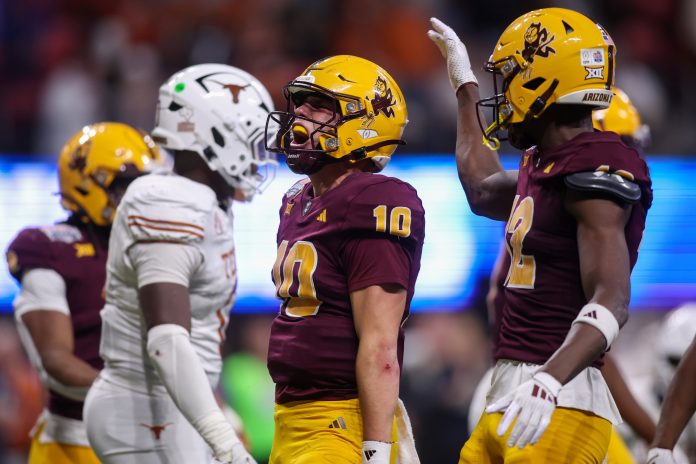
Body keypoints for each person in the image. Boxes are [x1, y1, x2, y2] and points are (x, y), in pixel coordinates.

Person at [429, 7, 653, 463]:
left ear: (542, 81)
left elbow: (611, 300)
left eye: (511, 75)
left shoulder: (595, 162)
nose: (504, 90)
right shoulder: (548, 160)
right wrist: (463, 85)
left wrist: (550, 380)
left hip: (558, 399)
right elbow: (481, 189)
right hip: (513, 387)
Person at [83, 63, 277, 464]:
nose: (257, 155)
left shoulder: (205, 201)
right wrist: (222, 438)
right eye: (249, 138)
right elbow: (167, 339)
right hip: (144, 409)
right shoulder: (168, 201)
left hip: (169, 405)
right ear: (215, 135)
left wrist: (217, 412)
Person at [263, 55, 425, 464]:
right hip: (290, 419)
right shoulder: (296, 200)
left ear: (365, 122)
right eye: (299, 102)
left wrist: (374, 450)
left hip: (341, 423)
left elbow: (380, 343)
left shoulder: (375, 199)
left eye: (319, 105)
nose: (299, 113)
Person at [5, 122, 159, 464]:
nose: (138, 198)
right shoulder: (51, 249)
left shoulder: (154, 246)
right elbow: (56, 361)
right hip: (78, 437)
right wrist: (138, 394)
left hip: (154, 435)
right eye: (125, 186)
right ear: (87, 183)